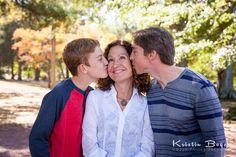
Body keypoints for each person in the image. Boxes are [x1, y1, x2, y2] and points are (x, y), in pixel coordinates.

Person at [130, 27, 226, 157]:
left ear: (151, 55)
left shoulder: (200, 88)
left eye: (135, 52)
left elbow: (216, 143)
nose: (131, 57)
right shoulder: (152, 90)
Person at [29, 38, 108, 157]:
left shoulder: (92, 95)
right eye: (100, 58)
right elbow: (37, 139)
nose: (106, 62)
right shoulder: (58, 95)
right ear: (83, 68)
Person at [82, 40, 154, 157]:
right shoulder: (95, 98)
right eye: (110, 60)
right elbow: (89, 145)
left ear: (133, 62)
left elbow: (147, 148)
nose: (115, 64)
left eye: (122, 58)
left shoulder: (144, 104)